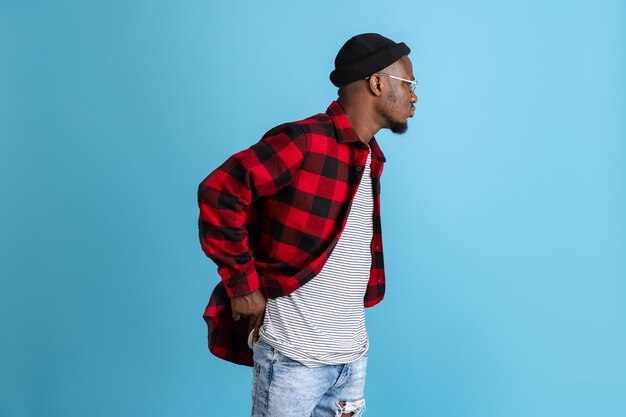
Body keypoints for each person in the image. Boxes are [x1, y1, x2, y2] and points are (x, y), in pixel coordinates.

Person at [198, 33, 417, 417]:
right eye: (409, 85)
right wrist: (242, 283)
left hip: (351, 362)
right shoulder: (305, 142)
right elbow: (221, 191)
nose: (415, 96)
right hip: (294, 359)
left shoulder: (370, 157)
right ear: (378, 83)